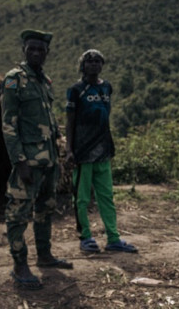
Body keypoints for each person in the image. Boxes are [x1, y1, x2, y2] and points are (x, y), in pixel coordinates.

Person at [2, 29, 72, 290]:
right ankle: (20, 265)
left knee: (45, 209)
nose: (35, 53)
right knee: (18, 213)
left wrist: (59, 155)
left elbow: (50, 121)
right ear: (24, 50)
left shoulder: (45, 82)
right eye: (31, 48)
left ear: (47, 53)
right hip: (28, 161)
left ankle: (45, 256)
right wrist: (19, 161)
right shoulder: (14, 80)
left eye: (40, 49)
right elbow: (8, 125)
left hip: (49, 160)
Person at [65, 49, 138, 255]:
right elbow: (69, 122)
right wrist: (69, 149)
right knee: (81, 198)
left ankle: (113, 238)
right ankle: (86, 237)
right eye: (89, 61)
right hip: (82, 152)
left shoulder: (106, 87)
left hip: (103, 150)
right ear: (82, 65)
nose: (94, 65)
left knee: (106, 196)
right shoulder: (76, 90)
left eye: (98, 61)